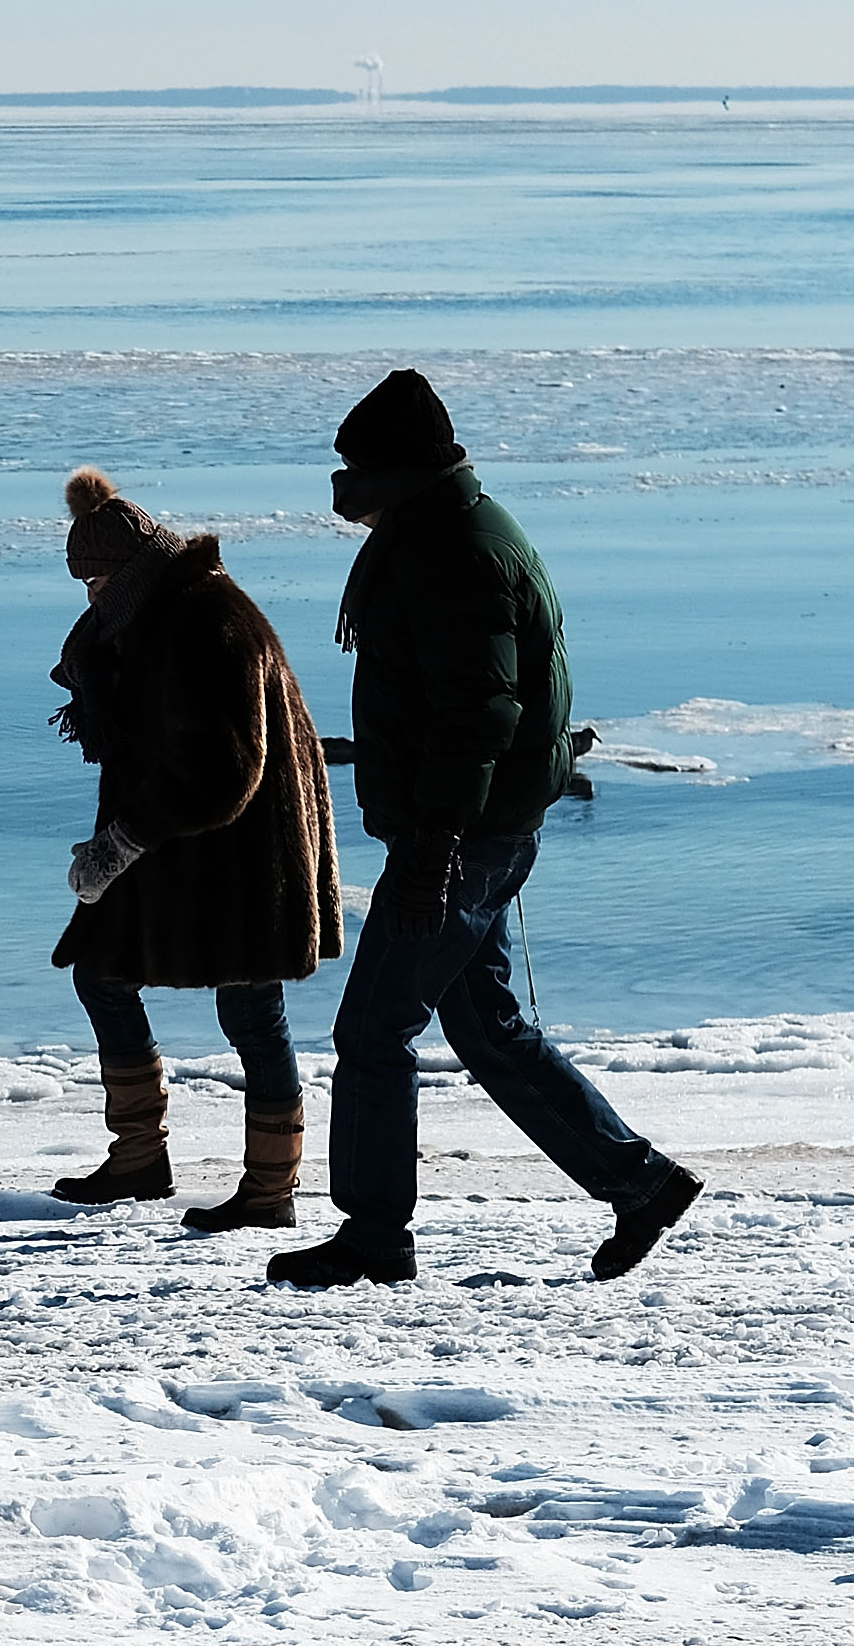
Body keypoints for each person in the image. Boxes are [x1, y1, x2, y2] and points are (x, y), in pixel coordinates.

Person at [270, 370, 701, 1287]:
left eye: (356, 468)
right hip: (478, 829)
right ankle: (638, 1180)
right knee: (489, 1027)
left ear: (407, 470)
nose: (340, 487)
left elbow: (479, 713)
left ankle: (375, 1235)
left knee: (374, 1030)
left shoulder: (455, 553)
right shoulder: (438, 533)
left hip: (462, 837)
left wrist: (433, 847)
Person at [47, 468, 343, 1229]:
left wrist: (119, 844)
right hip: (190, 846)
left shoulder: (211, 624)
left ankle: (270, 1192)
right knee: (100, 974)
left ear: (133, 572)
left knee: (251, 1011)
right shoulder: (159, 616)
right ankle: (141, 1158)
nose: (91, 597)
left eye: (99, 579)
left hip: (247, 858)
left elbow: (225, 772)